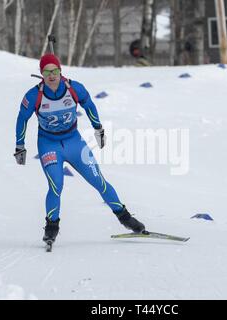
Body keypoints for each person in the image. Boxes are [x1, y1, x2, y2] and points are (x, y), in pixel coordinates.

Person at [14, 54, 146, 244]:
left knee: (98, 180)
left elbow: (89, 105)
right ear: (41, 74)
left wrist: (98, 128)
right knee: (56, 185)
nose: (52, 76)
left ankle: (125, 218)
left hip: (73, 142)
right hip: (49, 144)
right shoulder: (34, 95)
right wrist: (20, 146)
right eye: (46, 72)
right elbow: (22, 119)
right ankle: (52, 227)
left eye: (55, 71)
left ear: (60, 71)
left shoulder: (74, 88)